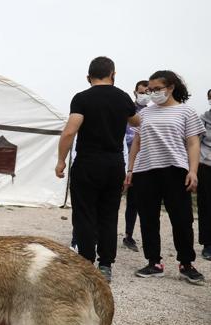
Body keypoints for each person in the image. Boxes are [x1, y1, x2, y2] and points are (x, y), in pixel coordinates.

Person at [55, 57, 140, 283]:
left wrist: (61, 161)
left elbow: (69, 132)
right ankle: (105, 266)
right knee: (109, 215)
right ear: (113, 74)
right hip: (114, 164)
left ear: (88, 77)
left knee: (84, 213)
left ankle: (85, 263)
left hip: (88, 163)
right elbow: (136, 122)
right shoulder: (123, 98)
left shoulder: (82, 98)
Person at [126, 71, 205, 284]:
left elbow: (193, 143)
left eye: (157, 89)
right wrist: (130, 169)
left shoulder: (186, 112)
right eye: (150, 90)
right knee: (148, 218)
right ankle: (154, 262)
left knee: (182, 219)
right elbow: (137, 142)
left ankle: (186, 264)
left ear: (170, 88)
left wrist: (193, 171)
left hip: (175, 169)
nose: (152, 93)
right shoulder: (145, 114)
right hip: (145, 170)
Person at [122, 80, 150, 252]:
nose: (145, 95)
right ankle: (125, 235)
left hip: (145, 162)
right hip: (126, 160)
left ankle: (134, 236)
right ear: (135, 93)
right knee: (124, 201)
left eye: (148, 92)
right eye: (142, 92)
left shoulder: (151, 112)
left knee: (140, 202)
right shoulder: (126, 111)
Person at [199, 88, 211, 260]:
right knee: (206, 205)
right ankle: (207, 244)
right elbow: (195, 143)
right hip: (206, 165)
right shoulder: (203, 119)